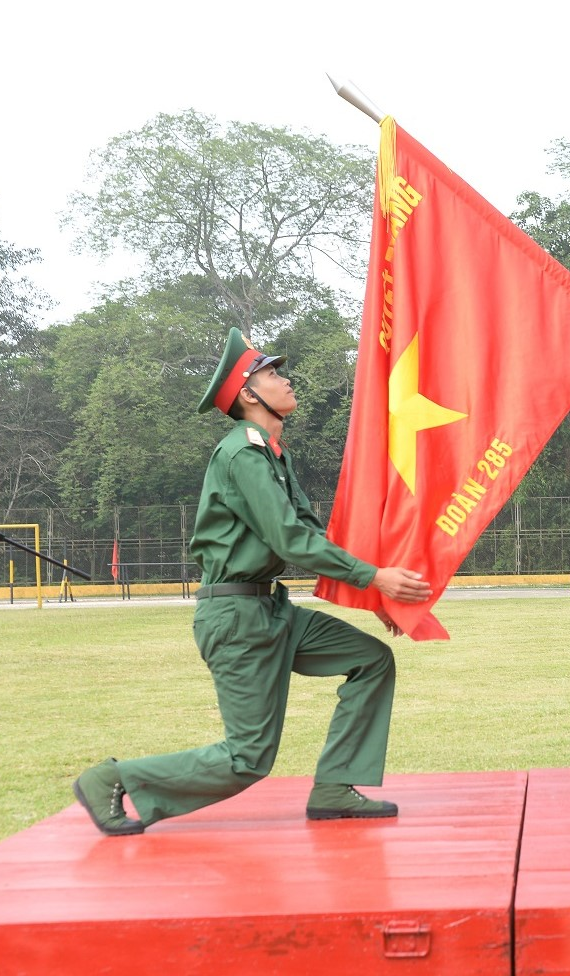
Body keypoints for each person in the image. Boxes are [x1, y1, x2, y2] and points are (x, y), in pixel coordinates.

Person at [72, 328, 433, 836]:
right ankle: (112, 778)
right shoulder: (241, 455)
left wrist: (371, 592)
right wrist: (376, 577)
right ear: (248, 394)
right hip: (237, 618)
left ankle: (335, 785)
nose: (287, 382)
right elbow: (290, 540)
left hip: (272, 612)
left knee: (370, 660)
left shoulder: (272, 456)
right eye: (273, 375)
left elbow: (311, 534)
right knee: (247, 759)